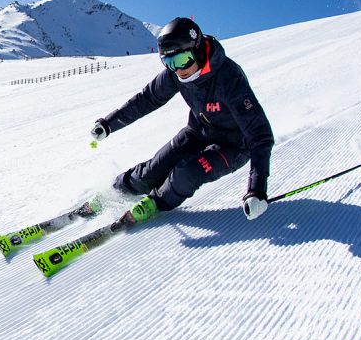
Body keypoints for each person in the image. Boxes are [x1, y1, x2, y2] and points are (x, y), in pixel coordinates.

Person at [90, 17, 274, 226]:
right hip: (198, 132)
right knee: (152, 171)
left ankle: (155, 204)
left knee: (186, 174)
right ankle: (116, 192)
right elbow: (147, 99)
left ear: (197, 49)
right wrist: (109, 123)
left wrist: (257, 189)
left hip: (234, 146)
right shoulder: (176, 74)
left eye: (182, 60)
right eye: (169, 63)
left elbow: (261, 136)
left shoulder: (228, 78)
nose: (178, 69)